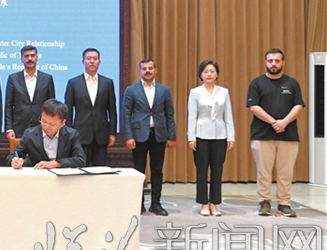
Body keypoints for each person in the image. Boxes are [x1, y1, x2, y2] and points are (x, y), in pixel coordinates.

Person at [247, 48, 304, 217]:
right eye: (270, 60)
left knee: (286, 172)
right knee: (263, 171)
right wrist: (273, 122)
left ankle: (284, 203)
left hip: (288, 136)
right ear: (266, 62)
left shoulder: (292, 84)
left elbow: (298, 105)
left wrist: (284, 122)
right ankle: (264, 201)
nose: (273, 64)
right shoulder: (257, 83)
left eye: (277, 61)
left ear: (283, 62)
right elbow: (253, 106)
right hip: (262, 135)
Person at [122, 58, 176, 216]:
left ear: (155, 70)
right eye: (144, 68)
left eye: (150, 68)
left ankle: (156, 204)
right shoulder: (131, 90)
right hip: (139, 135)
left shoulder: (164, 90)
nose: (147, 71)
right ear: (139, 71)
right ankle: (138, 204)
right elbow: (126, 114)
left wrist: (171, 136)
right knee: (139, 171)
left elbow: (170, 114)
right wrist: (128, 136)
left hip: (159, 134)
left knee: (157, 170)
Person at [187, 60, 235, 217]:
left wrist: (231, 136)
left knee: (217, 170)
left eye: (212, 71)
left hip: (220, 135)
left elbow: (228, 115)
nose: (209, 74)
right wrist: (191, 137)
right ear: (200, 74)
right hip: (201, 135)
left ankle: (214, 203)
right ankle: (203, 203)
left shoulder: (224, 92)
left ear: (217, 74)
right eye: (206, 71)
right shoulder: (195, 92)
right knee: (201, 170)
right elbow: (192, 117)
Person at [65, 48, 117, 166]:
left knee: (99, 169)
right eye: (88, 58)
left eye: (95, 58)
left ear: (99, 62)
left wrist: (112, 133)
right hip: (81, 133)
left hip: (101, 134)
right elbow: (68, 111)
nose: (92, 61)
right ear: (83, 62)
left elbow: (112, 110)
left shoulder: (107, 83)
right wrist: (68, 132)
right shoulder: (73, 83)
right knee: (80, 168)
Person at [6, 99, 86, 169]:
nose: (46, 126)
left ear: (62, 123)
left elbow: (81, 160)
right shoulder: (30, 134)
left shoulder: (71, 135)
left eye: (52, 124)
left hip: (62, 179)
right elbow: (12, 156)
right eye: (44, 121)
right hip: (38, 177)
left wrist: (56, 164)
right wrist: (14, 161)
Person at [5, 45, 55, 140]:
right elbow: (9, 105)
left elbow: (52, 105)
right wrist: (9, 129)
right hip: (19, 126)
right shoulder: (13, 79)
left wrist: (52, 126)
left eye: (32, 55)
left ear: (37, 58)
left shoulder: (47, 79)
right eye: (26, 56)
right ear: (21, 59)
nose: (30, 59)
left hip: (42, 126)